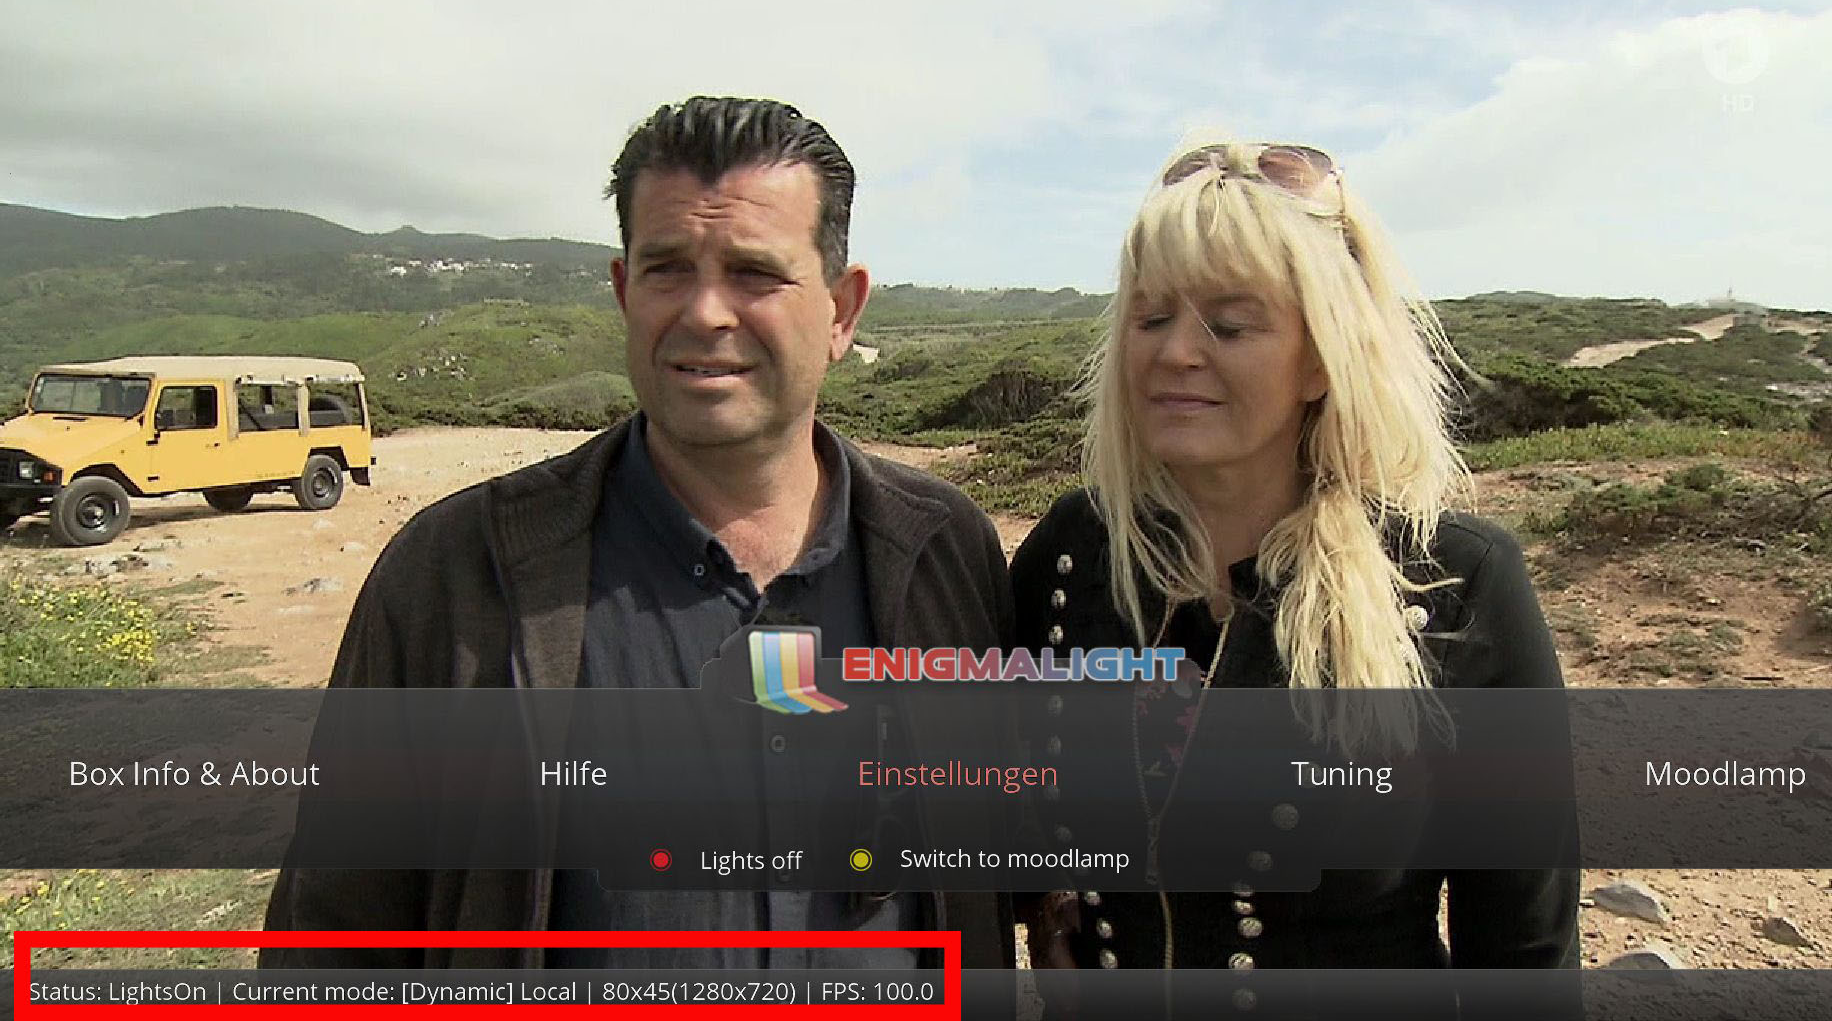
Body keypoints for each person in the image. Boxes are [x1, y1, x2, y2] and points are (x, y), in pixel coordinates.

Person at [262, 96, 1015, 970]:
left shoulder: (945, 553)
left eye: (754, 273)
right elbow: (331, 940)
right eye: (667, 269)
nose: (705, 312)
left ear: (843, 312)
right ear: (625, 293)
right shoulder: (457, 574)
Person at [1009, 142, 1578, 981]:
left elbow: (1524, 956)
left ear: (1320, 359)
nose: (1176, 352)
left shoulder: (1454, 582)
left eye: (1229, 325)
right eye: (1151, 317)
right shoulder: (1075, 553)